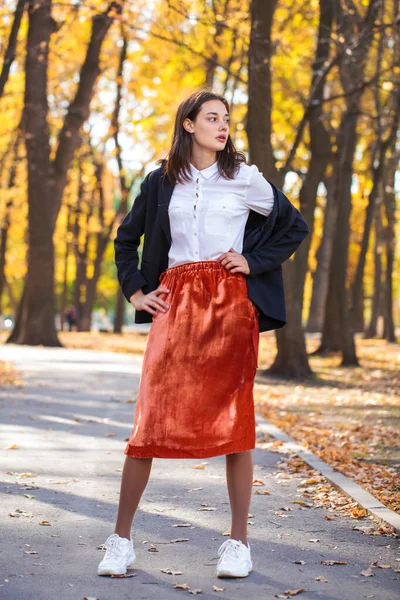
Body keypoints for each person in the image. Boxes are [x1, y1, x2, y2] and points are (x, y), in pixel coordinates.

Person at [97, 89, 309, 579]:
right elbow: (126, 240)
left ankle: (238, 544)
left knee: (236, 423)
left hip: (230, 306)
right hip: (175, 303)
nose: (223, 125)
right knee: (150, 421)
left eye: (226, 118)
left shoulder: (245, 179)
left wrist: (252, 262)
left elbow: (293, 227)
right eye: (212, 117)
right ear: (188, 125)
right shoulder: (158, 183)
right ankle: (120, 541)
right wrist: (136, 294)